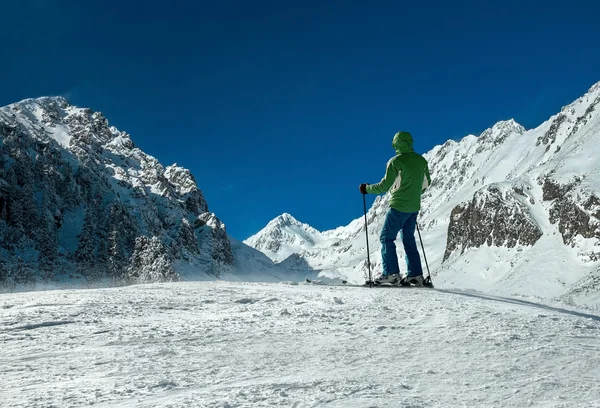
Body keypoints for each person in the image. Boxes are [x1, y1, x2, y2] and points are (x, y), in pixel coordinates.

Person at [360, 131, 431, 286]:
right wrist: (413, 193)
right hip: (414, 207)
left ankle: (391, 274)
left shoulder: (395, 162)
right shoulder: (421, 161)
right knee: (408, 239)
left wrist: (366, 188)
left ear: (396, 144)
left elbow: (384, 186)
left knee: (386, 238)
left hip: (398, 206)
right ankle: (415, 275)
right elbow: (426, 184)